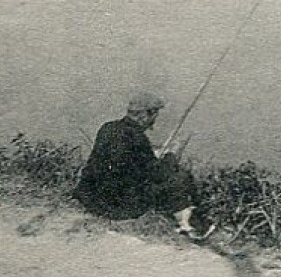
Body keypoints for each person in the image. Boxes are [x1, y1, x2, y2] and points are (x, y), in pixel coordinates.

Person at [73, 93, 210, 239]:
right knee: (181, 177)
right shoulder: (138, 138)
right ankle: (195, 223)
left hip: (90, 198)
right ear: (144, 115)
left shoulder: (108, 127)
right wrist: (171, 156)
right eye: (154, 114)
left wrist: (152, 155)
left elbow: (127, 160)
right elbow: (158, 174)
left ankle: (187, 219)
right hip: (116, 206)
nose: (154, 120)